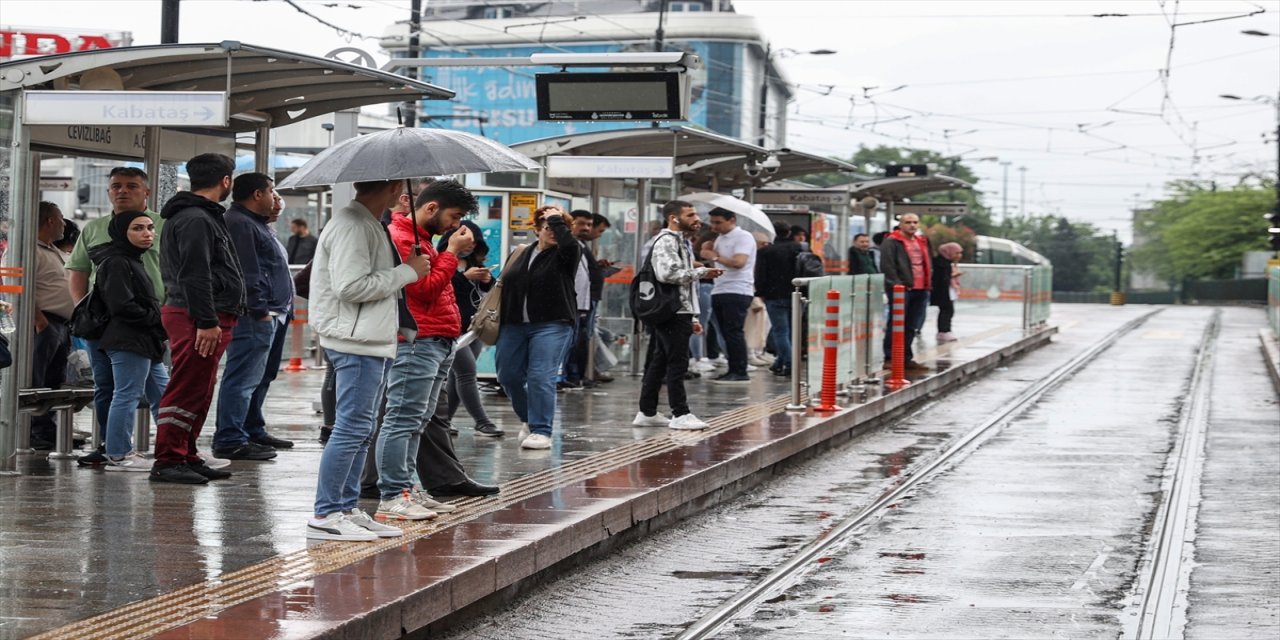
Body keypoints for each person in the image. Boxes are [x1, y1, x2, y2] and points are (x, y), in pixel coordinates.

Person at [306, 179, 430, 542]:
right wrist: (408, 272)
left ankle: (345, 507)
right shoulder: (353, 225)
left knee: (361, 431)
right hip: (355, 340)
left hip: (369, 339)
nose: (409, 199)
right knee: (351, 429)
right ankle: (326, 513)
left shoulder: (368, 223)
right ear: (392, 187)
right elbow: (350, 287)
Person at [375, 179, 476, 522]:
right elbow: (427, 290)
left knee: (417, 420)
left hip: (437, 339)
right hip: (417, 341)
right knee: (402, 419)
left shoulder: (424, 240)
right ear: (431, 208)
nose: (455, 225)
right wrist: (451, 253)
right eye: (454, 215)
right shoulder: (402, 238)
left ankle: (409, 488)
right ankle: (393, 495)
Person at [152, 153, 245, 485]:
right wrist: (206, 321)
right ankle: (168, 459)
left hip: (207, 314)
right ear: (225, 181)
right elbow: (195, 273)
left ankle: (185, 453)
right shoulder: (196, 219)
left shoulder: (203, 216)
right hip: (197, 315)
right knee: (186, 387)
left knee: (200, 387)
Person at [64, 167, 166, 466]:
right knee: (111, 388)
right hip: (108, 323)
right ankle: (115, 446)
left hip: (150, 323)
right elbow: (79, 271)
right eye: (116, 186)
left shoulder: (163, 225)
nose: (122, 191)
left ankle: (173, 448)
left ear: (146, 192)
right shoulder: (95, 230)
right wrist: (85, 312)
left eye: (131, 186)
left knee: (156, 387)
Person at [212, 173, 294, 462]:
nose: (275, 199)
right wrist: (259, 309)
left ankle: (251, 427)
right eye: (272, 192)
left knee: (261, 374)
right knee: (243, 376)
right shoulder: (239, 223)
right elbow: (248, 272)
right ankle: (230, 437)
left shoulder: (256, 224)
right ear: (258, 194)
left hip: (273, 311)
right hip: (256, 314)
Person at [89, 211, 169, 471]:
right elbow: (121, 304)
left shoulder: (133, 259)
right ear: (123, 232)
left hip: (143, 338)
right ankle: (119, 453)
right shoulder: (117, 262)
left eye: (149, 228)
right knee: (127, 394)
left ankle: (177, 449)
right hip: (128, 338)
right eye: (138, 228)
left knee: (165, 395)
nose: (147, 233)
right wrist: (155, 319)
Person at [495, 205, 579, 450]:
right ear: (536, 230)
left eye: (559, 227)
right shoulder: (521, 252)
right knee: (508, 376)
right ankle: (529, 420)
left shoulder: (567, 254)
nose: (554, 231)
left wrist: (556, 218)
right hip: (513, 324)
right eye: (548, 227)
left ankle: (542, 430)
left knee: (540, 376)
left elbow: (570, 244)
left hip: (552, 324)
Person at [633, 200, 722, 429]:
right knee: (677, 362)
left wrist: (692, 316)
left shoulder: (681, 242)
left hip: (678, 309)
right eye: (691, 215)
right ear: (674, 218)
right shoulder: (666, 241)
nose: (696, 219)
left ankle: (647, 411)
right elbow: (668, 274)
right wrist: (702, 272)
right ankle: (680, 414)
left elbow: (682, 285)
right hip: (672, 310)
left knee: (660, 360)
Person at [442, 220, 503, 438]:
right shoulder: (442, 260)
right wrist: (463, 278)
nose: (469, 246)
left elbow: (489, 291)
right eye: (466, 241)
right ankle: (482, 421)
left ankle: (444, 421)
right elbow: (438, 286)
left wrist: (486, 280)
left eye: (473, 242)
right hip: (451, 327)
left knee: (456, 376)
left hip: (473, 327)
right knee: (467, 373)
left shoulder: (471, 262)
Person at [31, 202, 76, 450]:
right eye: (60, 219)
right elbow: (20, 286)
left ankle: (47, 428)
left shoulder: (51, 250)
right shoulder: (29, 249)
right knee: (37, 377)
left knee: (54, 379)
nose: (64, 224)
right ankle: (34, 430)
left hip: (60, 323)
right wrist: (39, 320)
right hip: (44, 322)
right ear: (49, 221)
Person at [700, 208, 757, 384]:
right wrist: (707, 250)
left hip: (737, 289)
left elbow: (738, 262)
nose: (714, 226)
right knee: (725, 332)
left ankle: (739, 370)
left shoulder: (743, 237)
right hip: (720, 288)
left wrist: (715, 256)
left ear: (732, 220)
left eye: (718, 222)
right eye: (712, 222)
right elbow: (713, 261)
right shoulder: (719, 238)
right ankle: (733, 368)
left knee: (733, 331)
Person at [879, 213, 932, 370]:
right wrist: (897, 285)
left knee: (911, 325)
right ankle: (890, 357)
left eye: (915, 222)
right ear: (900, 224)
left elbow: (927, 262)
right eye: (908, 222)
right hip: (901, 288)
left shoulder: (922, 241)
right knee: (896, 323)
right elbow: (887, 266)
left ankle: (905, 357)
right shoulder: (892, 242)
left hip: (921, 287)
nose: (912, 225)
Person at [754, 221, 803, 377]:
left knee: (781, 331)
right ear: (789, 232)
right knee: (793, 331)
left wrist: (760, 292)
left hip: (774, 295)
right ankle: (779, 363)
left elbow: (760, 274)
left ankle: (789, 364)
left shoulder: (766, 251)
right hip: (799, 293)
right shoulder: (800, 248)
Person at [562, 209, 603, 389]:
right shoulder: (569, 246)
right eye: (581, 224)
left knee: (580, 340)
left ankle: (575, 375)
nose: (586, 228)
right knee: (571, 341)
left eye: (589, 224)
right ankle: (568, 376)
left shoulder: (581, 245)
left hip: (584, 301)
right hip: (574, 302)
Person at [932, 242, 964, 343]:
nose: (959, 256)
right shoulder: (941, 264)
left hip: (948, 291)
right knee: (946, 310)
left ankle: (946, 330)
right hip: (943, 292)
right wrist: (952, 276)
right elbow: (941, 279)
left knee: (949, 310)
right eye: (956, 253)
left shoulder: (947, 264)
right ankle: (943, 330)